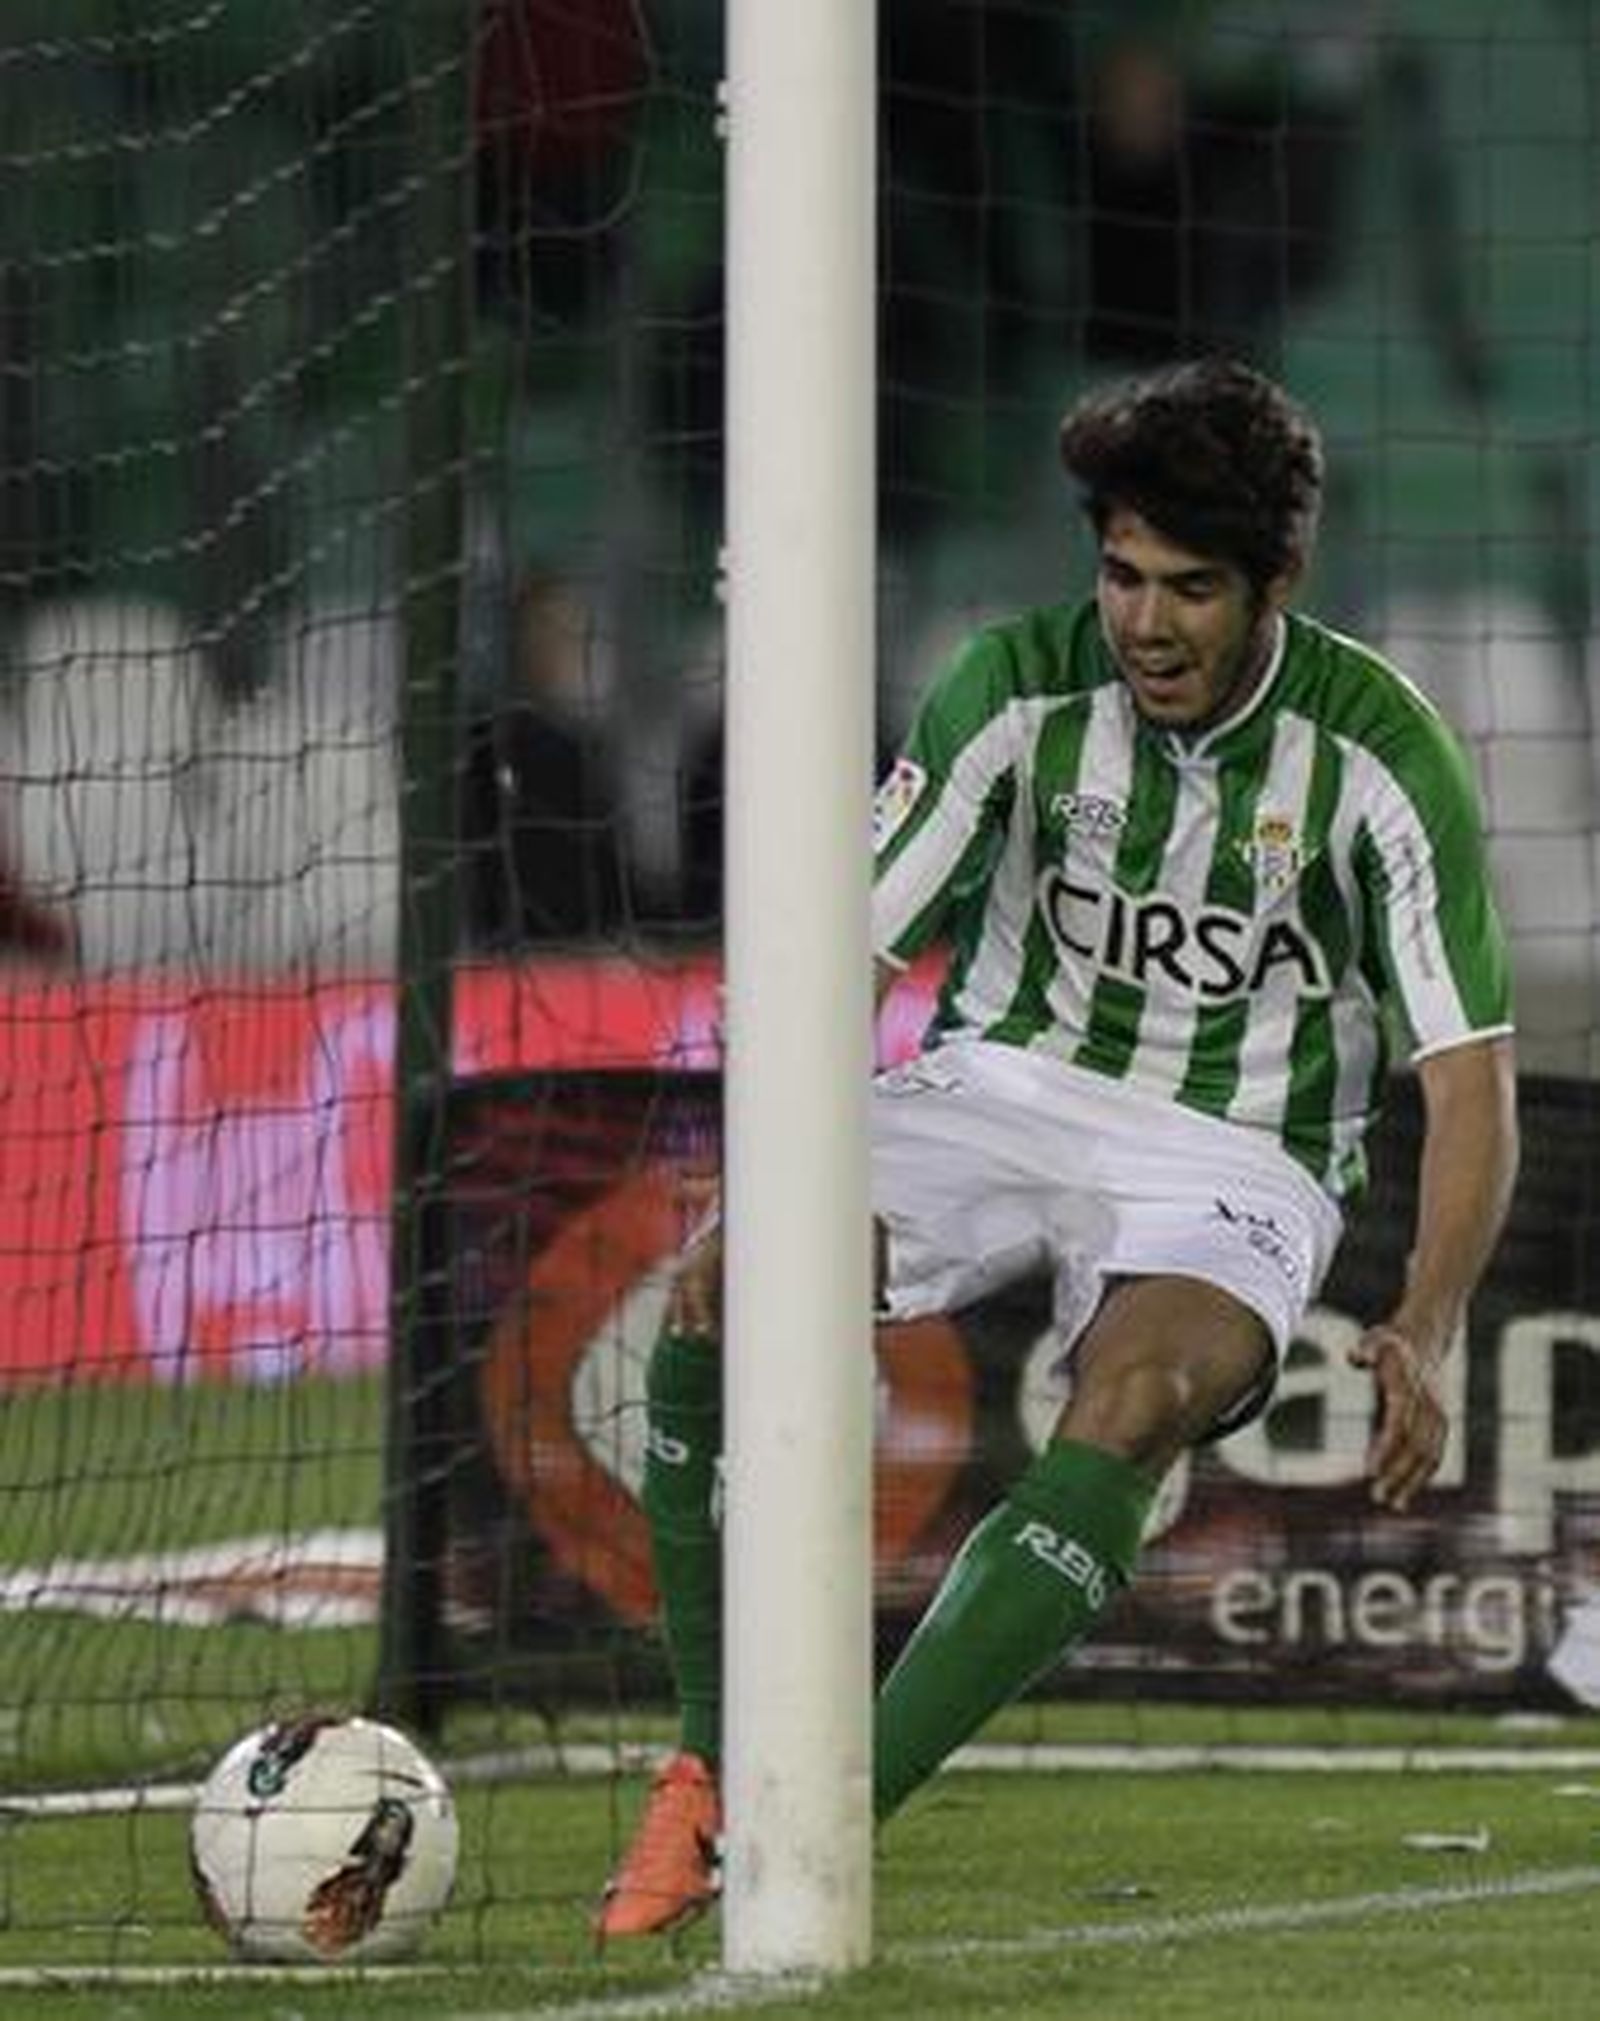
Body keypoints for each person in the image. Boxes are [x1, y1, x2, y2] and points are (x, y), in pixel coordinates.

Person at [594, 358, 1520, 1939]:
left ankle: (814, 1821)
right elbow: (843, 968)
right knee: (714, 1299)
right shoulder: (1012, 691)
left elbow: (1469, 1077)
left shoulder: (1380, 753)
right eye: (1122, 575)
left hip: (1242, 1144)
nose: (1147, 623)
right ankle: (704, 1756)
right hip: (1000, 1085)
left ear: (1279, 583)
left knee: (1140, 1395)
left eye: (1192, 589)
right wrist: (760, 1199)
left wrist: (1426, 1321)